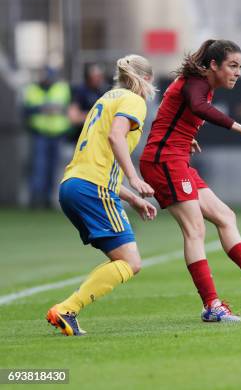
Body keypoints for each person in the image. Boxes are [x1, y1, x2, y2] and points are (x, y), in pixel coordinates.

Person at [140, 39, 241, 323]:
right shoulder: (196, 82)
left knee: (226, 216)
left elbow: (174, 115)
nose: (237, 72)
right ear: (213, 65)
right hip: (163, 161)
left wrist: (186, 137)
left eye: (240, 67)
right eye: (232, 66)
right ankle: (212, 305)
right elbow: (198, 107)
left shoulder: (200, 83)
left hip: (175, 158)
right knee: (195, 230)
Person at [46, 55, 158, 336]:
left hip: (73, 185)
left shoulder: (106, 98)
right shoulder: (135, 101)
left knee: (122, 259)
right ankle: (67, 309)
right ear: (146, 80)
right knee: (131, 263)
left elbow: (99, 161)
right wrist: (134, 177)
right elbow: (116, 137)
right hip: (92, 189)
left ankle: (68, 310)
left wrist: (132, 197)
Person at [23, 67, 71, 208]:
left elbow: (69, 107)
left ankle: (49, 199)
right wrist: (41, 108)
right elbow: (26, 110)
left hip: (58, 133)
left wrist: (58, 109)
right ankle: (36, 198)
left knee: (53, 167)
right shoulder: (32, 89)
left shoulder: (62, 88)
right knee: (39, 166)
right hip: (40, 132)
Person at [67, 63, 110, 143]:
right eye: (96, 76)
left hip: (99, 139)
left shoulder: (104, 91)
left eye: (100, 76)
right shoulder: (81, 91)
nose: (99, 79)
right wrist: (95, 116)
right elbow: (73, 117)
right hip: (81, 138)